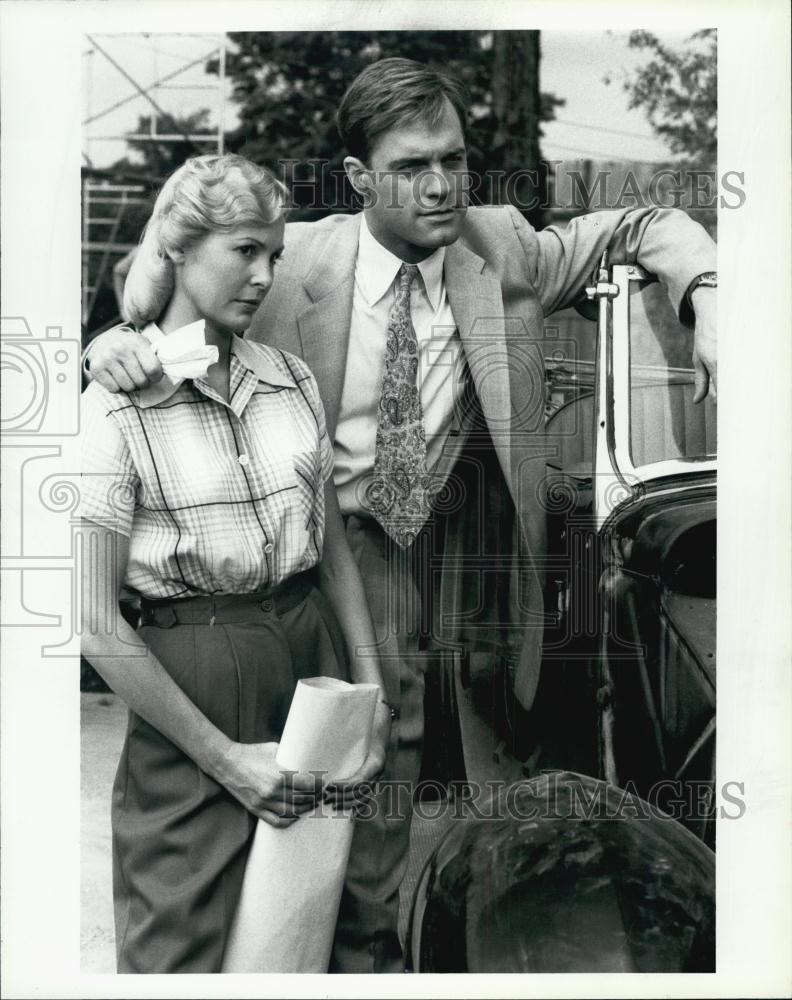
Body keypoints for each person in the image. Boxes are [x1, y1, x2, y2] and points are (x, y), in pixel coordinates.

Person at [83, 58, 718, 973]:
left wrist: (710, 296)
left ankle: (459, 933)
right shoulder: (282, 258)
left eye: (455, 160)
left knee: (476, 776)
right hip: (329, 551)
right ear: (357, 180)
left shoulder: (497, 244)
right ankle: (346, 945)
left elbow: (642, 225)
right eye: (413, 166)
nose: (440, 185)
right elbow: (152, 288)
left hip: (464, 545)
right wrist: (115, 342)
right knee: (340, 799)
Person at [79, 153, 390, 974]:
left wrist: (371, 693)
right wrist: (224, 758)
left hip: (309, 664)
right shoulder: (114, 403)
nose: (263, 275)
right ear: (179, 249)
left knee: (325, 927)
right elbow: (91, 619)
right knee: (182, 939)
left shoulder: (288, 378)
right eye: (244, 250)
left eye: (274, 256)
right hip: (192, 677)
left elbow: (330, 553)